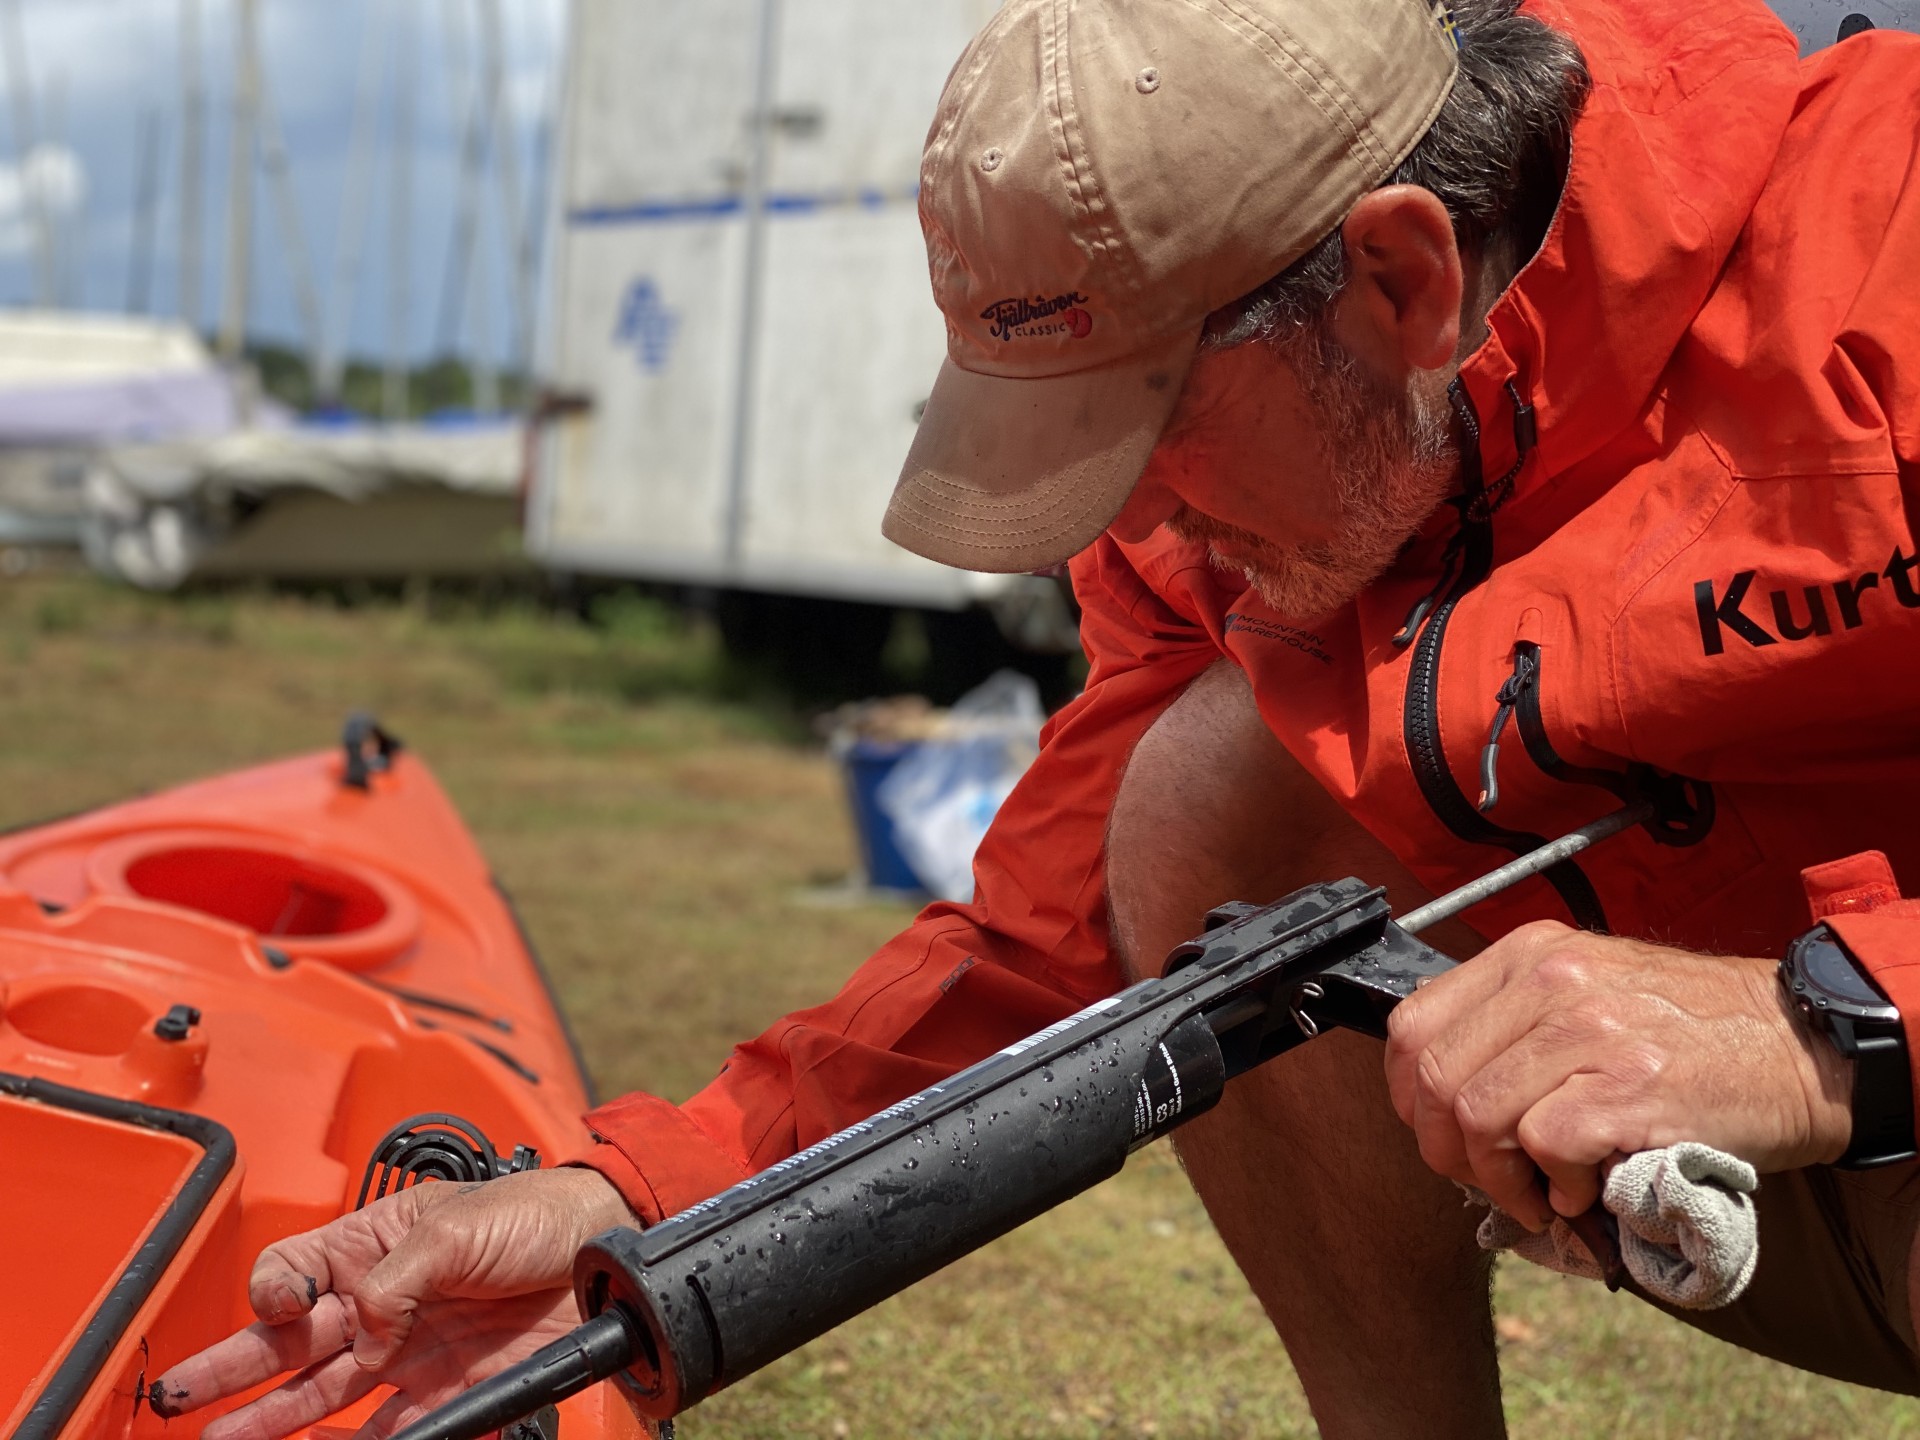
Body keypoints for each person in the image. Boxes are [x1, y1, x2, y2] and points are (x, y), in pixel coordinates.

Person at [160, 0, 1920, 1435]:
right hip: (1752, 1200)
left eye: (1148, 426)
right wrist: (643, 1203)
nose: (1119, 525)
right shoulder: (1238, 539)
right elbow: (1044, 938)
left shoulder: (1889, 238)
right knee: (1200, 793)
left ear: (1399, 282)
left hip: (1854, 1086)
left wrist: (1819, 1032)